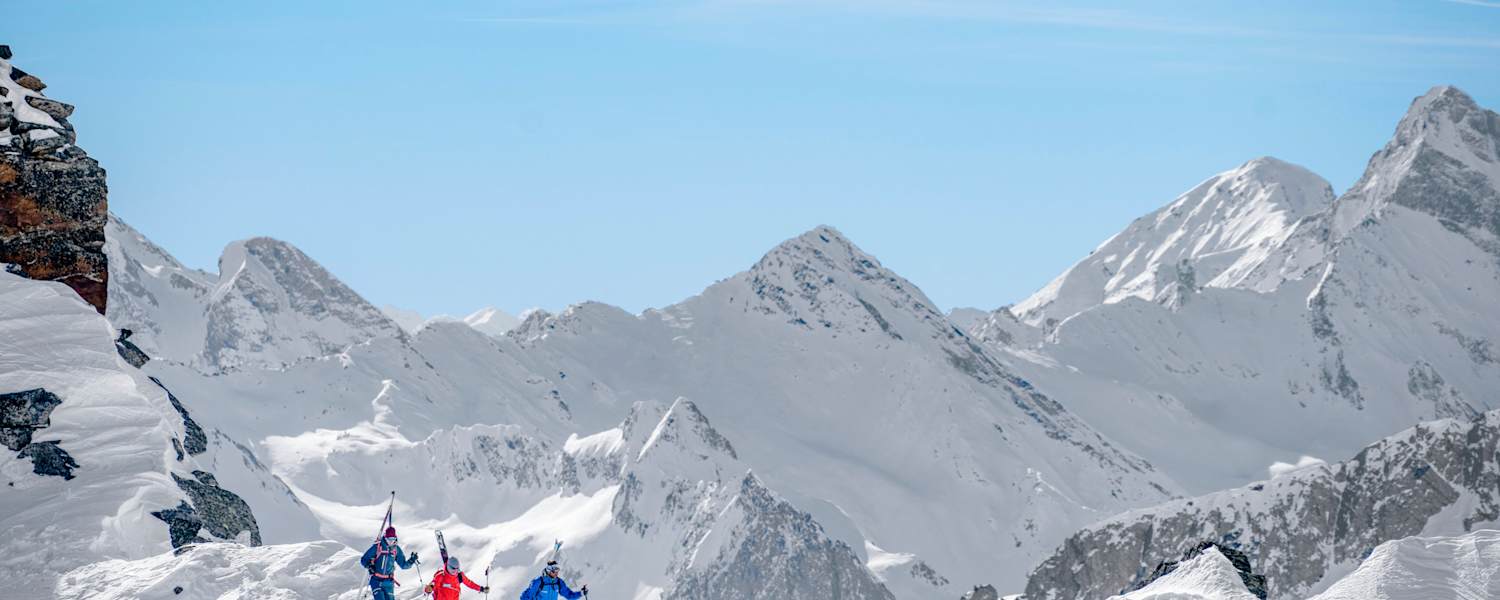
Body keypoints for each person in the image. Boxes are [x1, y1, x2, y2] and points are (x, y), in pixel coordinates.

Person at [360, 526, 419, 600]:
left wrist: (411, 560)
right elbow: (363, 559)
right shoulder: (378, 547)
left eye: (393, 539)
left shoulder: (396, 549)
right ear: (385, 537)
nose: (391, 541)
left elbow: (403, 565)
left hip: (388, 582)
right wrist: (369, 566)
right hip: (376, 580)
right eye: (389, 539)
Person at [425, 556, 490, 599]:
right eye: (453, 568)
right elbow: (432, 585)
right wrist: (429, 588)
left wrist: (482, 589)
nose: (455, 571)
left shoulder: (460, 576)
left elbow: (469, 584)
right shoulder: (441, 576)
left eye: (457, 568)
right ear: (448, 566)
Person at [519, 561, 587, 600]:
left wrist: (581, 593)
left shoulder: (558, 582)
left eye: (557, 571)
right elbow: (525, 597)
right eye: (554, 571)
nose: (556, 573)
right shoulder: (539, 582)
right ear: (549, 571)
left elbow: (568, 595)